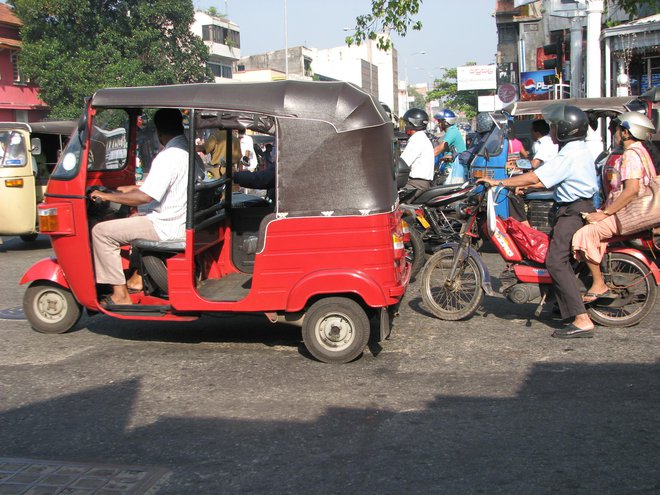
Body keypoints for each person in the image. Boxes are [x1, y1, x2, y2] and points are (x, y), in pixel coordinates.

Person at [479, 103, 600, 338]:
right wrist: (525, 184)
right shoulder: (576, 149)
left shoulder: (569, 153)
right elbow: (545, 180)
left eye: (554, 126)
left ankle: (582, 319)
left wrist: (500, 182)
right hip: (573, 207)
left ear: (566, 129)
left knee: (556, 261)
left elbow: (536, 175)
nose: (551, 130)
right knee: (549, 255)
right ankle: (558, 304)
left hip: (573, 212)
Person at [90, 108, 202, 307]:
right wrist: (133, 188)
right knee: (133, 220)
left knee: (101, 232)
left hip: (166, 226)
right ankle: (137, 278)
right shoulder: (189, 152)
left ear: (158, 132)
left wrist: (107, 195)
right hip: (182, 220)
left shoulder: (169, 156)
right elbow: (164, 186)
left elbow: (145, 197)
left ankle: (120, 295)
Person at [572, 112, 657, 303]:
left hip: (628, 215)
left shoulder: (631, 155)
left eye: (618, 130)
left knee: (585, 234)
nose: (616, 134)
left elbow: (631, 190)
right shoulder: (642, 151)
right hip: (630, 212)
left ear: (626, 133)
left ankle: (598, 284)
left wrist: (605, 214)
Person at [507, 120, 558, 225]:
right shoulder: (543, 143)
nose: (530, 134)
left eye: (531, 131)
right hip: (545, 179)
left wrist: (515, 164)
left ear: (537, 132)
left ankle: (525, 225)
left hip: (546, 182)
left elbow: (534, 164)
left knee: (512, 193)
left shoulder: (546, 143)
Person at [400, 108, 434, 199]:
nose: (405, 126)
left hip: (416, 184)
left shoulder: (417, 139)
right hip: (420, 182)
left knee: (394, 204)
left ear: (413, 123)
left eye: (406, 123)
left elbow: (402, 163)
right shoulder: (422, 137)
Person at [434, 109, 467, 184]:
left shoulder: (452, 131)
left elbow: (439, 148)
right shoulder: (452, 131)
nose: (438, 124)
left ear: (445, 122)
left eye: (439, 121)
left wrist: (425, 157)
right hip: (451, 169)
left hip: (455, 171)